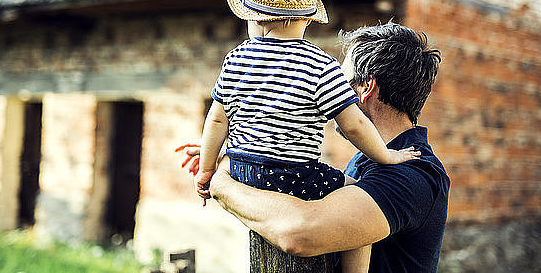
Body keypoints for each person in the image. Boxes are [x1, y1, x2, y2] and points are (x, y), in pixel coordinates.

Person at [178, 22, 449, 272]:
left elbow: (297, 233)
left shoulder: (413, 175)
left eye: (341, 83)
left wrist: (221, 180)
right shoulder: (368, 160)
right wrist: (243, 151)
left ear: (366, 87)